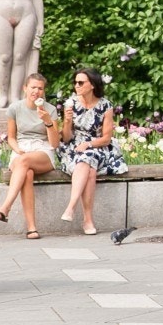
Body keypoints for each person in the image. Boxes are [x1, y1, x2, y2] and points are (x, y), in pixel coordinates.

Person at [0, 73, 61, 239]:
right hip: (21, 149)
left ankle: (5, 208)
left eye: (40, 88)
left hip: (42, 150)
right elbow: (12, 137)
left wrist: (48, 122)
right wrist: (19, 150)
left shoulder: (49, 110)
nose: (36, 91)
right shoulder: (15, 108)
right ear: (25, 88)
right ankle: (32, 228)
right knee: (27, 173)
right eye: (33, 87)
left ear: (43, 92)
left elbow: (54, 143)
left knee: (23, 162)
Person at [58, 68, 125, 234]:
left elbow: (106, 138)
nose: (77, 86)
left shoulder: (105, 106)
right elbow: (66, 138)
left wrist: (88, 145)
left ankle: (71, 207)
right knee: (89, 170)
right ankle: (87, 220)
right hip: (73, 148)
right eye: (75, 82)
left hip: (98, 145)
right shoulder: (70, 103)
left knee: (88, 156)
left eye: (81, 82)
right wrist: (66, 121)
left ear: (92, 85)